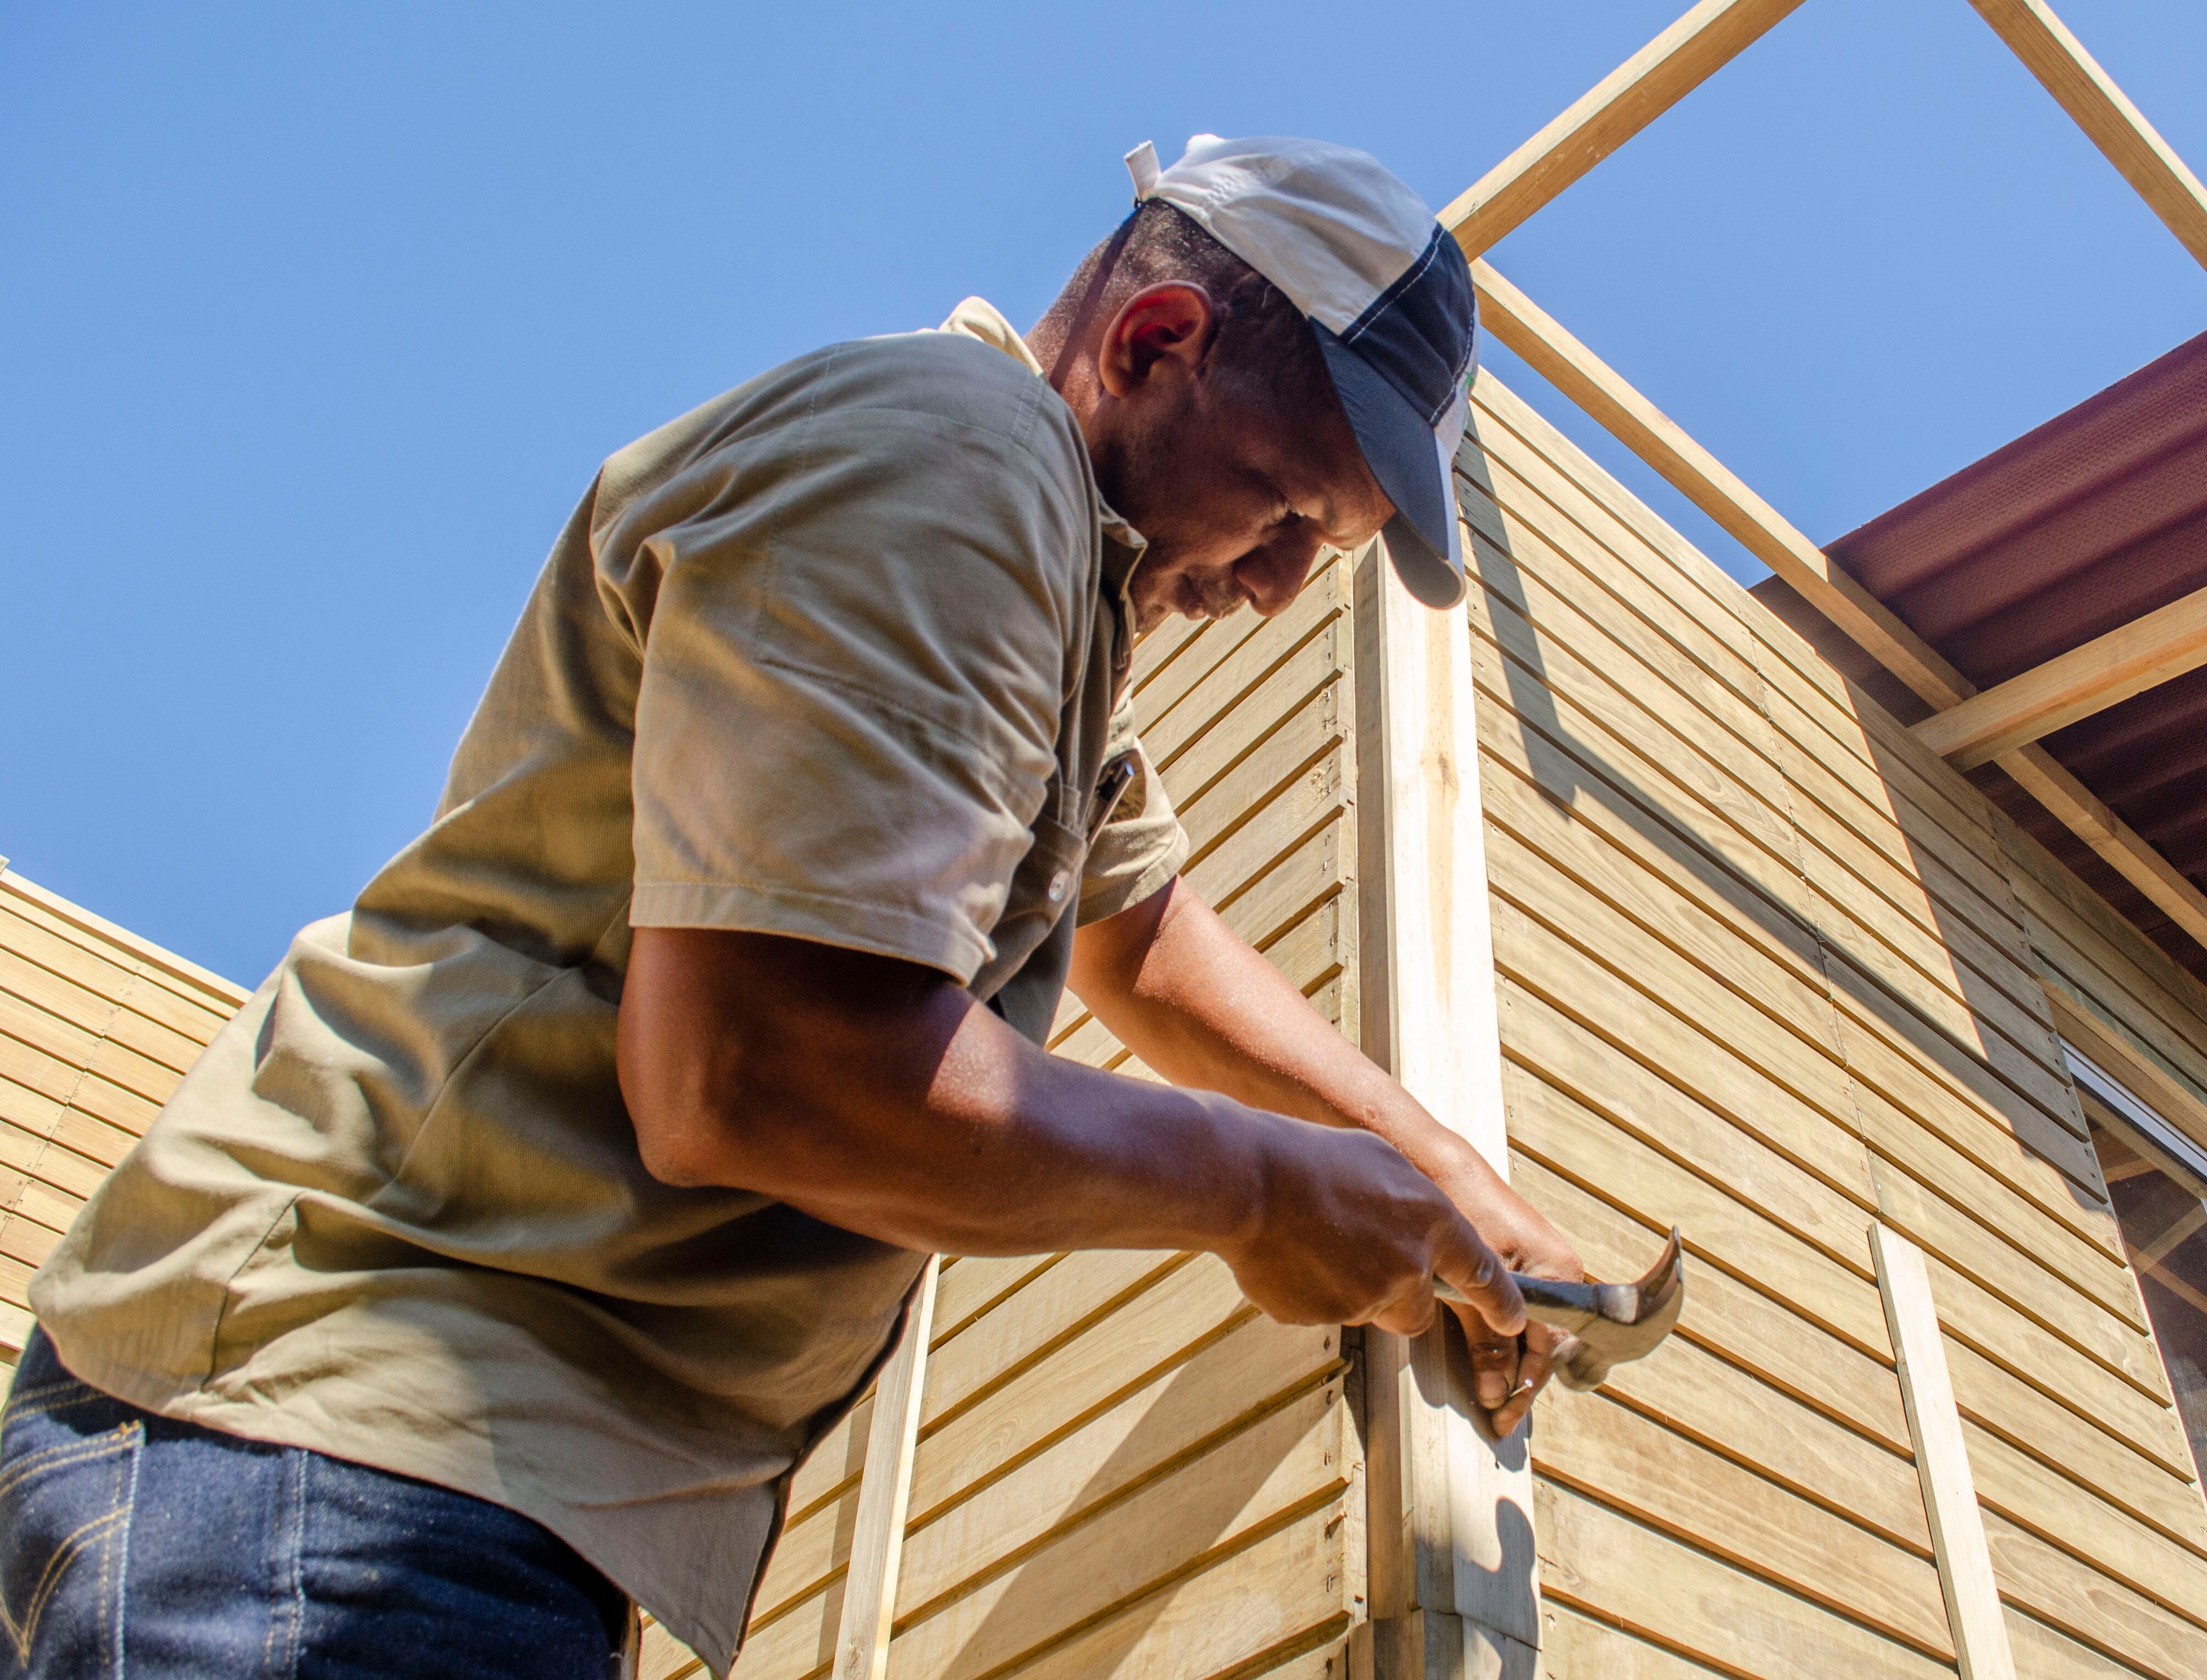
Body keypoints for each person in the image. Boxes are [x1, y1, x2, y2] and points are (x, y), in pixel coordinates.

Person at [0, 134, 1583, 1679]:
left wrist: (1431, 1169)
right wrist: (1263, 1193)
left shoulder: (1054, 604)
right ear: (1154, 339)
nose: (1273, 587)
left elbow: (1144, 939)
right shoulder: (955, 461)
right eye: (1284, 506)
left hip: (383, 1470)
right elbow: (758, 1068)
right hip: (338, 1441)